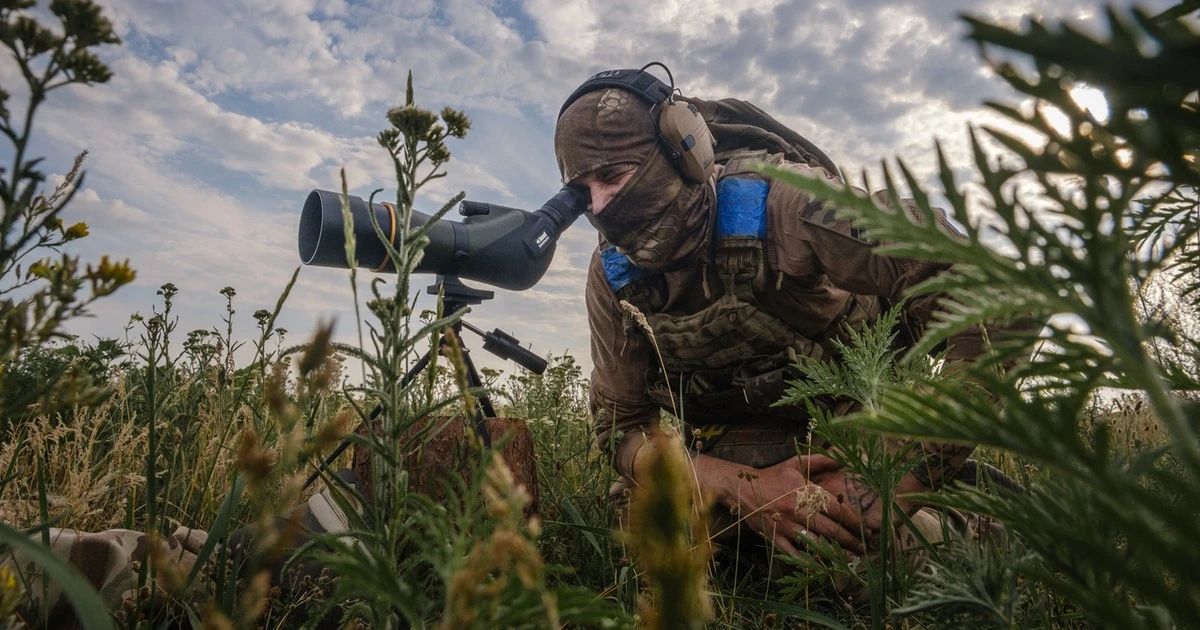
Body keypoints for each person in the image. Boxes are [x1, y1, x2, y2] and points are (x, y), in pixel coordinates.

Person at [554, 66, 1004, 564]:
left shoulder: (783, 204)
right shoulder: (614, 276)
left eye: (615, 177)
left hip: (840, 458)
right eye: (582, 192)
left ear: (685, 152)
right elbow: (622, 427)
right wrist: (742, 486)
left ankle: (971, 521)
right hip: (723, 469)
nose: (601, 206)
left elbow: (991, 293)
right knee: (641, 543)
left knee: (846, 562)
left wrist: (904, 467)